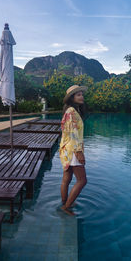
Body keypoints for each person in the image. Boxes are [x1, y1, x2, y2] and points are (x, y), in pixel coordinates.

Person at [59, 85, 88, 215]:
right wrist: (79, 152)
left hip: (67, 149)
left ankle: (65, 202)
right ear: (72, 98)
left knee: (67, 179)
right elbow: (73, 134)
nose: (82, 96)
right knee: (82, 180)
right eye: (78, 95)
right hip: (73, 150)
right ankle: (66, 207)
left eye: (82, 94)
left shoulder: (70, 111)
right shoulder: (71, 112)